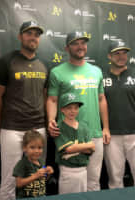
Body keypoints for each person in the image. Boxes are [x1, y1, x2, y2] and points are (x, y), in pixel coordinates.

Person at [47, 32, 110, 191]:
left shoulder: (96, 71)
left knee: (93, 183)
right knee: (72, 184)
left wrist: (106, 127)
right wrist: (50, 120)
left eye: (83, 43)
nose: (80, 46)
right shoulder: (57, 72)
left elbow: (101, 99)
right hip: (70, 136)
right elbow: (52, 100)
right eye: (76, 43)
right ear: (67, 48)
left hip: (94, 134)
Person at [0, 21, 48, 200]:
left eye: (36, 34)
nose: (33, 37)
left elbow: (46, 98)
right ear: (20, 37)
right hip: (12, 128)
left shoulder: (45, 64)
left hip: (38, 128)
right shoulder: (6, 61)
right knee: (9, 179)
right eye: (29, 33)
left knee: (38, 178)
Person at [103, 40, 135, 188]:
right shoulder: (101, 77)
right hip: (112, 135)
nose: (121, 56)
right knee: (115, 180)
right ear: (109, 56)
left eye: (124, 53)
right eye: (117, 53)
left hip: (134, 133)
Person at [54, 93, 95, 194]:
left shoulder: (84, 127)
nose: (72, 111)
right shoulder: (58, 127)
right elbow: (68, 149)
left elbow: (91, 150)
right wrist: (89, 145)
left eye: (75, 108)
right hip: (67, 171)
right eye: (69, 108)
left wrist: (76, 147)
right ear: (62, 109)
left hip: (83, 170)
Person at [13, 130, 54, 198]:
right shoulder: (22, 164)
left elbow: (43, 179)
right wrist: (35, 176)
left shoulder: (41, 162)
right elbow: (18, 183)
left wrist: (48, 173)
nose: (36, 151)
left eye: (39, 148)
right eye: (32, 147)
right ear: (24, 148)